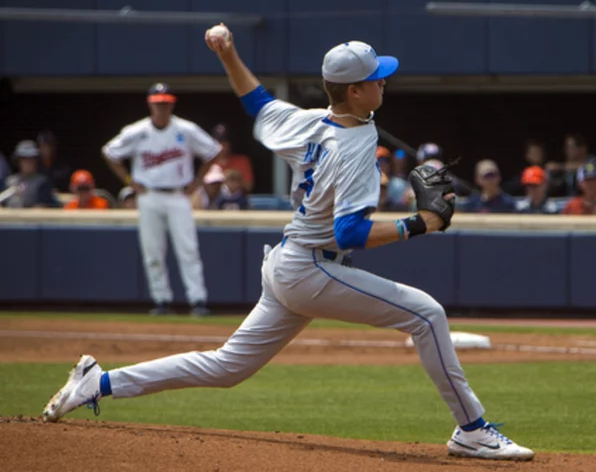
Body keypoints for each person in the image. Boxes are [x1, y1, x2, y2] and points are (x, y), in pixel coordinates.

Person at [41, 27, 534, 462]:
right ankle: (472, 430)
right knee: (427, 314)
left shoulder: (310, 121)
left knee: (227, 366)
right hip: (311, 269)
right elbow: (351, 234)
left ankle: (98, 383)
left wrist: (227, 53)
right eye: (377, 78)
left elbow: (255, 102)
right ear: (356, 90)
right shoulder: (357, 147)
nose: (385, 82)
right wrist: (420, 223)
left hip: (290, 263)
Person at [101, 82, 221, 317]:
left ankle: (197, 300)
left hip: (178, 194)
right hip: (149, 194)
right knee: (153, 251)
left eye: (165, 103)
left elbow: (212, 150)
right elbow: (110, 152)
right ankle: (161, 300)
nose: (162, 108)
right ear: (150, 104)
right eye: (158, 103)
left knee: (188, 249)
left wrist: (197, 179)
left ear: (172, 104)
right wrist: (128, 179)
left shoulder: (186, 129)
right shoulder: (137, 131)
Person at [1, 140, 58, 208]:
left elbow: (46, 207)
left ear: (36, 161)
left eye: (31, 159)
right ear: (18, 161)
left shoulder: (43, 183)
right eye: (24, 159)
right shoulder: (9, 181)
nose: (28, 163)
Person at [212, 123, 254, 193]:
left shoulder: (242, 160)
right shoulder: (208, 163)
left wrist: (230, 179)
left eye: (224, 143)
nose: (221, 146)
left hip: (238, 201)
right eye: (218, 143)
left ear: (230, 144)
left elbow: (249, 186)